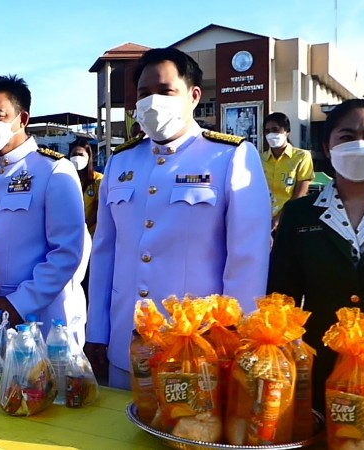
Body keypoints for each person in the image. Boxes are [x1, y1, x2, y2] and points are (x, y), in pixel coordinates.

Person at [85, 47, 271, 390]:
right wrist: (97, 332)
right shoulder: (120, 162)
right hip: (126, 346)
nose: (152, 101)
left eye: (165, 91)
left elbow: (248, 259)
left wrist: (232, 340)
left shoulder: (229, 156)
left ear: (193, 96)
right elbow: (104, 253)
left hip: (197, 350)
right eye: (143, 93)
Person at [268, 98, 364, 428]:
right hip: (323, 373)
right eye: (346, 136)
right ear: (327, 149)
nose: (359, 143)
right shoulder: (300, 215)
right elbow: (281, 297)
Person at [0, 74, 87, 342]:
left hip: (39, 318)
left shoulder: (53, 170)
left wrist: (20, 302)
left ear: (23, 119)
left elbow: (66, 253)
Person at [261, 112, 314, 229]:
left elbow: (300, 195)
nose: (271, 134)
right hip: (262, 222)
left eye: (275, 129)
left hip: (290, 221)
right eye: (267, 131)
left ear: (287, 131)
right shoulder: (259, 159)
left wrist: (278, 219)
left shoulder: (302, 156)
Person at [69, 138, 103, 235]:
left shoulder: (98, 180)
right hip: (69, 233)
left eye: (81, 155)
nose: (77, 158)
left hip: (90, 235)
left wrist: (82, 229)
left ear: (89, 157)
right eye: (74, 155)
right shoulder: (65, 179)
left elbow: (98, 211)